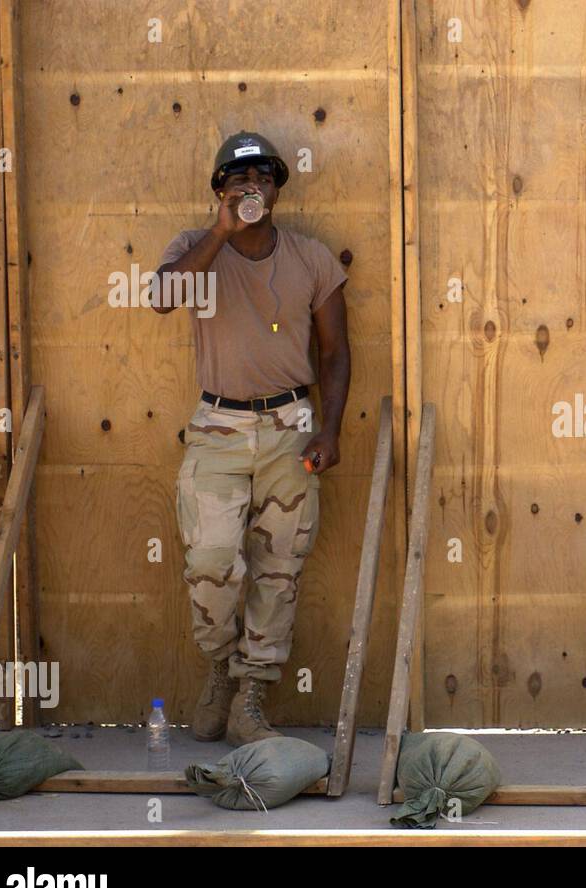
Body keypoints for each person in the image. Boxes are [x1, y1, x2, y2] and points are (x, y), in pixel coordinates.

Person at [153, 131, 350, 746]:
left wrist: (331, 427)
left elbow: (336, 351)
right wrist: (220, 232)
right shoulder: (196, 248)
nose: (253, 190)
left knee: (277, 570)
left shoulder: (312, 259)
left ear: (277, 190)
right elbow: (161, 297)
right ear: (220, 190)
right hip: (217, 425)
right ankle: (218, 670)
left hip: (290, 424)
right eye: (240, 182)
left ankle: (252, 696)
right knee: (210, 563)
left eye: (264, 180)